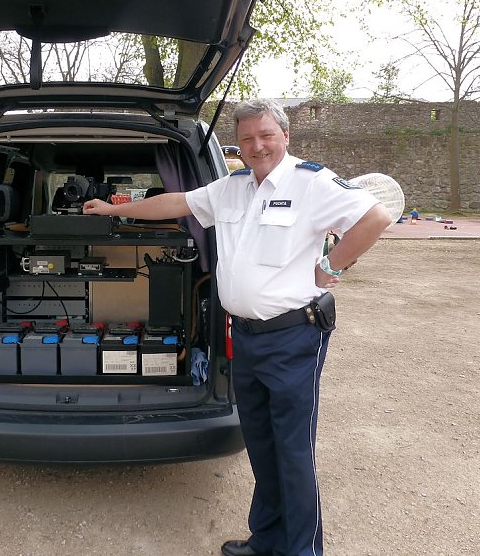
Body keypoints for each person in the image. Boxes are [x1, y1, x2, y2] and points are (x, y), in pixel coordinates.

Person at [83, 98, 391, 556]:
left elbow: (376, 217)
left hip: (293, 338)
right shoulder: (232, 187)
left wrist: (332, 266)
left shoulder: (312, 183)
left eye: (266, 135)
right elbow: (177, 202)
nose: (257, 145)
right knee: (262, 447)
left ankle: (302, 551)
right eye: (247, 138)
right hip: (245, 337)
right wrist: (113, 210)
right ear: (239, 145)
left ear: (285, 136)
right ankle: (266, 539)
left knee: (292, 452)